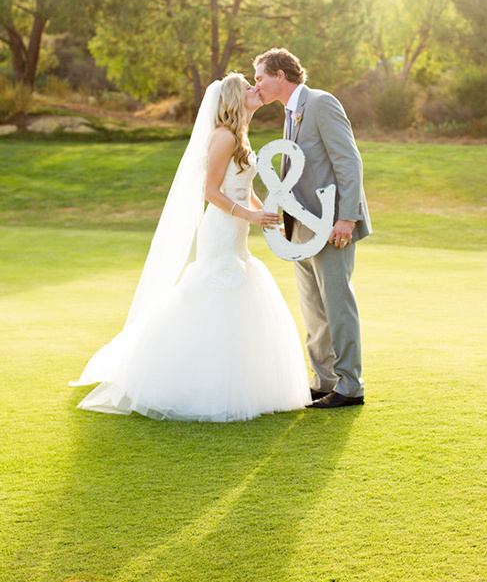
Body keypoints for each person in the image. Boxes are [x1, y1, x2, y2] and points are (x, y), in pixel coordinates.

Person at [70, 73, 311, 422]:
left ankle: (238, 380)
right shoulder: (224, 137)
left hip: (238, 229)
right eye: (248, 87)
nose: (255, 89)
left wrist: (267, 216)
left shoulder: (240, 135)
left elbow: (243, 188)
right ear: (232, 98)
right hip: (221, 229)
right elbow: (211, 192)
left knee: (239, 296)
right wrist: (249, 215)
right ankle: (185, 380)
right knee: (213, 292)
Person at [253, 48, 372, 409]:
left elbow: (348, 160)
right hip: (302, 227)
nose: (256, 84)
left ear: (280, 75)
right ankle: (324, 382)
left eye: (260, 77)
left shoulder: (321, 103)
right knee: (313, 309)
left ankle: (351, 387)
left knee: (337, 305)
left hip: (333, 224)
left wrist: (347, 218)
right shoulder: (289, 114)